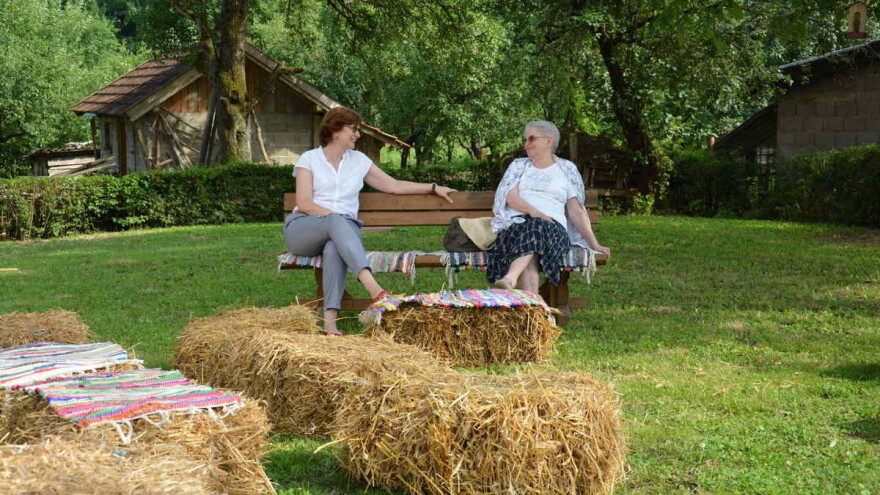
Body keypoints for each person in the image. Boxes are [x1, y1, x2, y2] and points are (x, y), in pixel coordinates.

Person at [283, 107, 455, 335]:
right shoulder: (310, 159)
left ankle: (330, 323)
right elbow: (304, 202)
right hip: (305, 227)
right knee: (337, 220)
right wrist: (331, 217)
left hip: (341, 232)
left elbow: (393, 185)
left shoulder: (359, 161)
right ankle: (375, 289)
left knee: (334, 247)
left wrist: (433, 188)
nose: (358, 134)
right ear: (335, 129)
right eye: (353, 129)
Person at [488, 121, 610, 294]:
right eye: (525, 139)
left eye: (531, 138)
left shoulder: (566, 169)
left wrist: (594, 244)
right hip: (516, 228)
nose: (526, 143)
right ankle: (533, 308)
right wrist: (535, 212)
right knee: (531, 236)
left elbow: (576, 211)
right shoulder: (518, 166)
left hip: (554, 231)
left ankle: (511, 279)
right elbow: (511, 198)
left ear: (549, 141)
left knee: (535, 229)